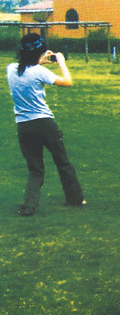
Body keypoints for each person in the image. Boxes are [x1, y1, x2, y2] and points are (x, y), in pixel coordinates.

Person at [7, 33, 85, 216]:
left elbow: (26, 68)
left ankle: (29, 206)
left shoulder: (10, 69)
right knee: (62, 162)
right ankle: (75, 199)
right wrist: (61, 63)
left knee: (35, 169)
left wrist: (40, 60)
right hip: (44, 124)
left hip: (24, 126)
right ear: (39, 53)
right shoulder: (40, 72)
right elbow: (67, 82)